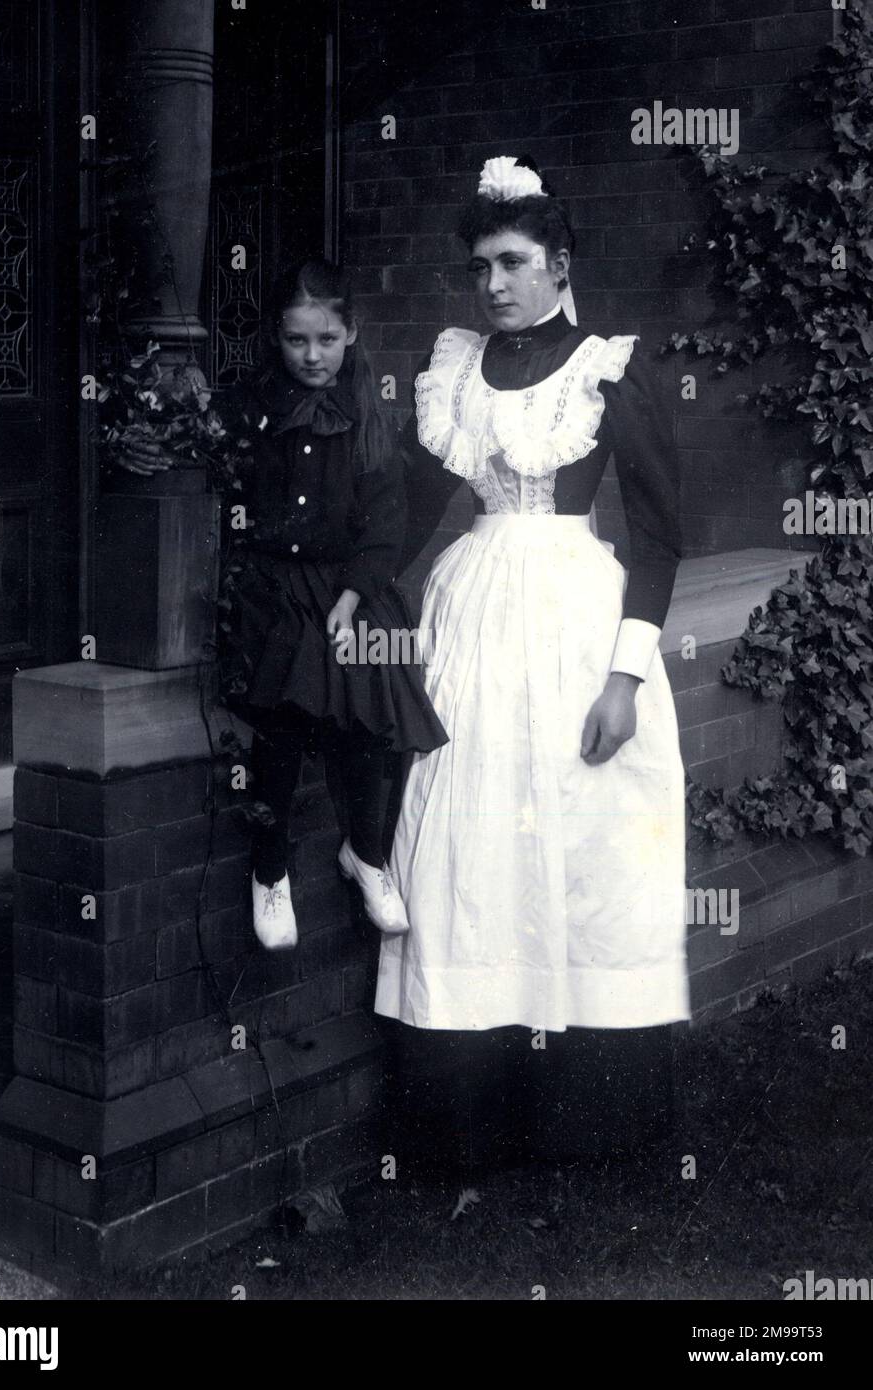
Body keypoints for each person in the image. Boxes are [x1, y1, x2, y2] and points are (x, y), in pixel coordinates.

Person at [375, 156, 689, 1168]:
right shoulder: (458, 367)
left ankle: (587, 1122)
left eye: (512, 262)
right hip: (470, 620)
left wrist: (626, 675)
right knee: (468, 844)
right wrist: (343, 582)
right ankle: (465, 1124)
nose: (493, 284)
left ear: (559, 265)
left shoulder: (606, 364)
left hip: (572, 625)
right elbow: (414, 512)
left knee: (579, 848)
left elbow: (659, 530)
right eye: (480, 267)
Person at [214, 260, 448, 950]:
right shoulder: (253, 412)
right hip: (272, 588)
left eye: (325, 338)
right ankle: (270, 865)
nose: (311, 356)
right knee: (285, 715)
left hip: (350, 585)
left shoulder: (372, 418)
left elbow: (385, 529)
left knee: (381, 705)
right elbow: (232, 508)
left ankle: (367, 853)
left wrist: (351, 599)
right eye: (296, 341)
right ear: (276, 340)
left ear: (351, 333)